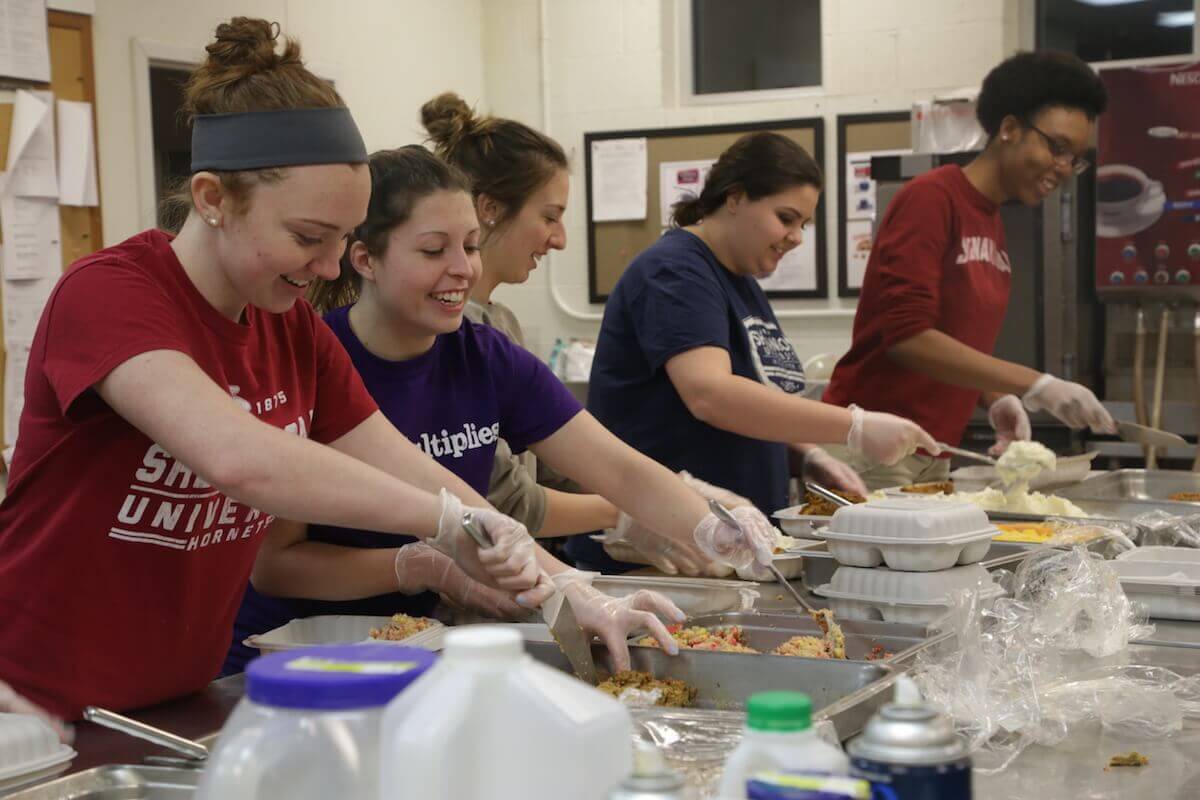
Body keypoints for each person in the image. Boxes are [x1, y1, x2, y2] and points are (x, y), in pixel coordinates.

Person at [0, 19, 710, 726]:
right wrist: (441, 526)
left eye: (343, 239)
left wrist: (564, 586)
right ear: (213, 199)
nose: (330, 267)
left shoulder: (290, 328)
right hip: (39, 706)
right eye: (308, 237)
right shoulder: (112, 294)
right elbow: (240, 458)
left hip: (180, 697)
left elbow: (405, 465)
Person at [228, 145, 786, 672]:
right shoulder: (317, 361)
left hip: (422, 648)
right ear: (365, 259)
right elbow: (276, 566)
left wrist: (705, 520)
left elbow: (616, 467)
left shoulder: (485, 354)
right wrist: (417, 565)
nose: (463, 269)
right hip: (297, 660)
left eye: (470, 246)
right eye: (432, 250)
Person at [420, 94, 767, 576]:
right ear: (490, 209)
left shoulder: (500, 325)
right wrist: (630, 511)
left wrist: (673, 497)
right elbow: (503, 499)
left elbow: (565, 455)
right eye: (549, 216)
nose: (560, 238)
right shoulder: (445, 338)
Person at [583, 132, 939, 573]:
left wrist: (805, 454)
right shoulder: (675, 271)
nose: (796, 237)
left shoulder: (740, 281)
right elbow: (709, 393)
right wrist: (853, 425)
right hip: (668, 549)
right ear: (734, 197)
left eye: (803, 224)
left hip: (730, 545)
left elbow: (751, 394)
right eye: (785, 218)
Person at [824, 50, 1114, 489]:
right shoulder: (931, 199)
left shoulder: (991, 220)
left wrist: (994, 397)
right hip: (867, 449)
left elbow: (954, 340)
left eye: (1075, 157)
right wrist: (1037, 384)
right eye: (1057, 147)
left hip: (930, 450)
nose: (1065, 168)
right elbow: (907, 337)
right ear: (1010, 129)